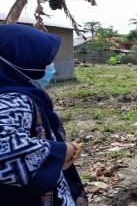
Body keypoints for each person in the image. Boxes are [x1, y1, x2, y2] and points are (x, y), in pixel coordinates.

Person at [0, 24, 87, 205]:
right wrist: (63, 151)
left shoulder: (16, 94)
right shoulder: (13, 101)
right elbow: (6, 151)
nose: (50, 68)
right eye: (44, 61)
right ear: (22, 60)